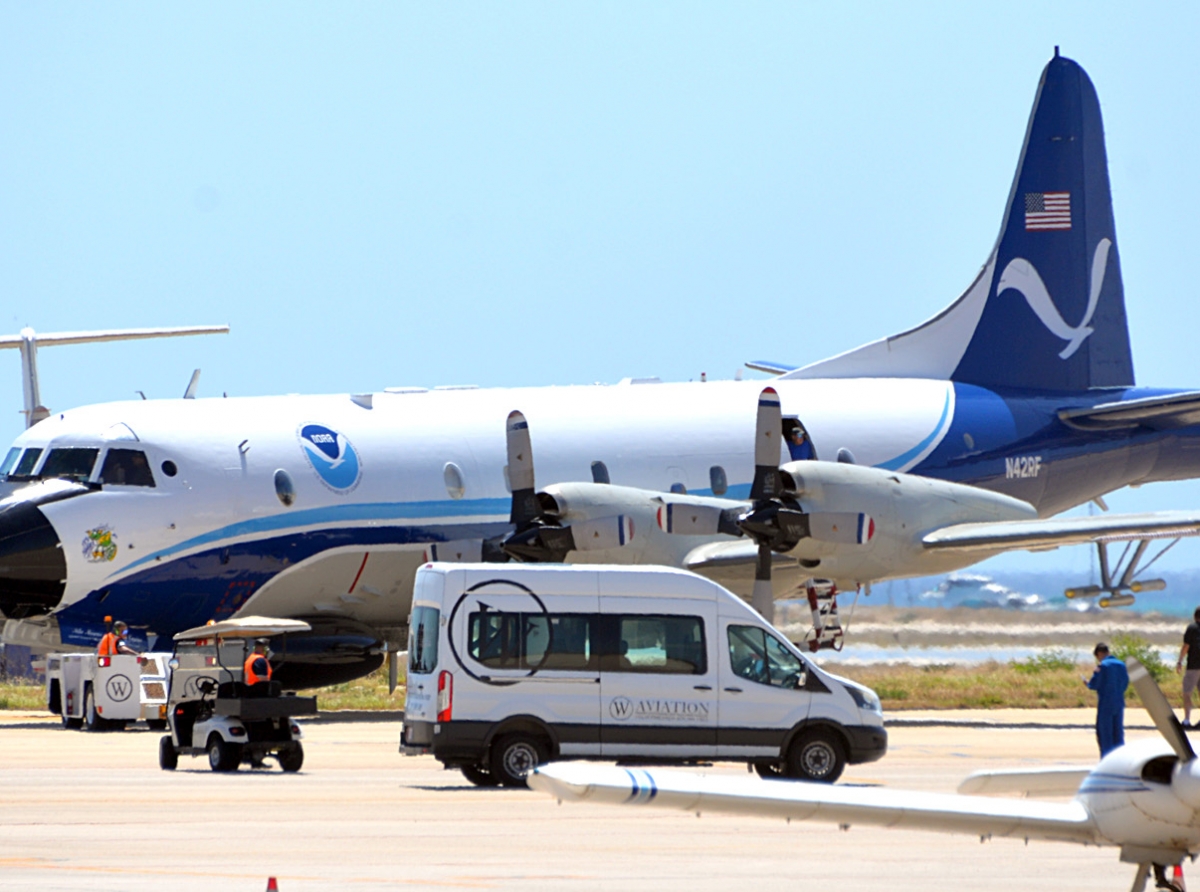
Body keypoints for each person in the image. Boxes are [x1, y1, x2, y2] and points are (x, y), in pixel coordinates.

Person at [1084, 642, 1129, 756]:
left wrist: (1087, 683)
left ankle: (1107, 760)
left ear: (1099, 654)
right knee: (1118, 733)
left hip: (1105, 703)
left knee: (1105, 734)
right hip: (1119, 702)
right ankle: (1120, 758)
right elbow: (1125, 683)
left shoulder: (1102, 666)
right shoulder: (1122, 665)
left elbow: (1094, 684)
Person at [1176, 607, 1200, 727]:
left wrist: (1180, 661)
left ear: (1195, 616)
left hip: (1194, 665)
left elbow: (1186, 646)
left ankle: (1186, 720)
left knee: (1187, 693)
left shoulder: (1192, 628)